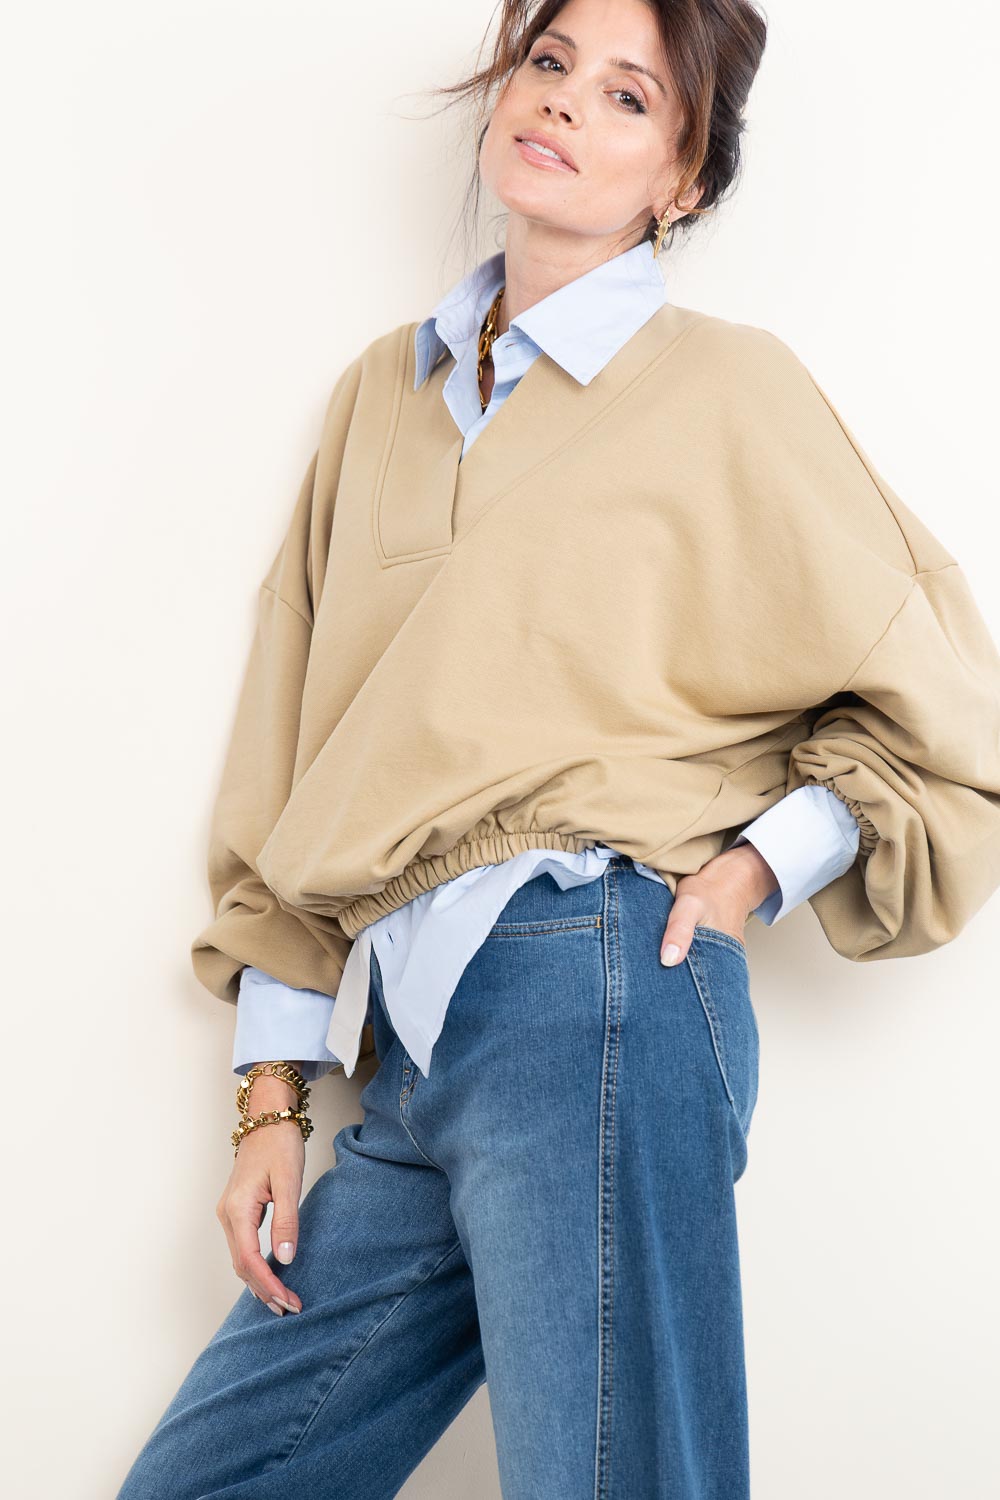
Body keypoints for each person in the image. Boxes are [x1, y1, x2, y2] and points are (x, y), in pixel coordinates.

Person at [115, 1, 1000, 1496]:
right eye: (549, 63)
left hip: (594, 977)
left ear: (684, 178)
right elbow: (298, 751)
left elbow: (948, 706)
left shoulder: (727, 390)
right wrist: (272, 1094)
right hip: (406, 1047)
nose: (568, 103)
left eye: (629, 96)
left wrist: (750, 871)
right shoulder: (381, 396)